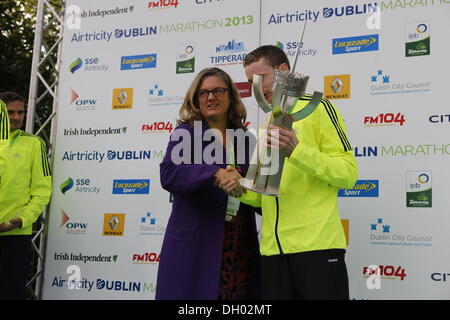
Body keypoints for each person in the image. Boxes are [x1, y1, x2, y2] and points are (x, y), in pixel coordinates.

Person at [234, 45, 358, 299]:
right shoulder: (268, 120)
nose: (257, 87)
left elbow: (348, 173)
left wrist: (297, 151)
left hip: (317, 249)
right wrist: (237, 187)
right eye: (250, 82)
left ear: (283, 72)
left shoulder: (319, 108)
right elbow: (262, 196)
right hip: (272, 253)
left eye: (262, 78)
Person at [155, 67, 261, 300]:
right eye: (203, 93)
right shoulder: (186, 133)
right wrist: (214, 173)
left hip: (238, 242)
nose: (210, 97)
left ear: (231, 96)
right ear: (196, 100)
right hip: (197, 244)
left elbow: (259, 189)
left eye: (217, 91)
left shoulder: (247, 139)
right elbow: (170, 173)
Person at [0, 92, 52, 300]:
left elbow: (41, 190)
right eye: (10, 112)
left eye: (20, 112)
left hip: (16, 235)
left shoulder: (34, 144)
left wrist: (22, 220)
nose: (15, 117)